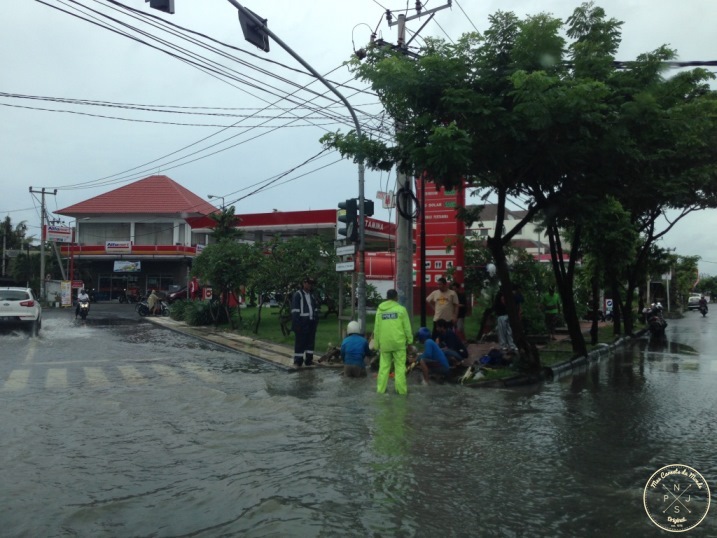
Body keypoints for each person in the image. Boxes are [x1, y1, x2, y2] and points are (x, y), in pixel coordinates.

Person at [374, 289, 413, 395]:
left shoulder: (380, 310)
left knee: (383, 368)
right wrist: (410, 342)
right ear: (396, 298)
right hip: (399, 344)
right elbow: (407, 328)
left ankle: (380, 391)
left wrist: (376, 345)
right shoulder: (401, 309)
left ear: (387, 297)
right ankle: (401, 392)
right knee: (400, 368)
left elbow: (376, 329)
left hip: (385, 344)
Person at [291, 277, 320, 367]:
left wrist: (315, 320)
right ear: (303, 283)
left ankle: (309, 360)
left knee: (310, 342)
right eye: (308, 283)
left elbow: (315, 308)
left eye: (311, 284)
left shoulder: (311, 295)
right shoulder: (298, 295)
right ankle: (298, 361)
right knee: (300, 342)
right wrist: (297, 324)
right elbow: (295, 311)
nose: (310, 285)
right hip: (302, 323)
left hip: (311, 322)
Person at [493, 288, 517, 353]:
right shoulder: (502, 294)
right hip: (502, 315)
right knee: (505, 331)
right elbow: (503, 300)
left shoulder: (501, 294)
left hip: (504, 315)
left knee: (506, 331)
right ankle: (507, 345)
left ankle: (507, 345)